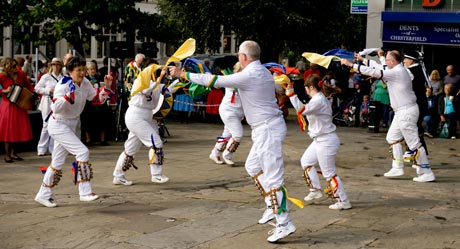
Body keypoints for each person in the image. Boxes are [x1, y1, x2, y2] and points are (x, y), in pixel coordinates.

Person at [170, 40, 296, 243]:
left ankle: (284, 222)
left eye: (239, 54)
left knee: (274, 178)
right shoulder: (262, 71)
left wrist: (183, 75)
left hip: (267, 129)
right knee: (252, 166)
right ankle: (272, 207)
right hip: (265, 127)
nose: (238, 57)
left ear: (244, 57)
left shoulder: (250, 74)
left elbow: (214, 81)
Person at [341, 49, 436, 182]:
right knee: (392, 137)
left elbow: (376, 72)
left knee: (414, 142)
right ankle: (397, 167)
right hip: (402, 111)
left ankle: (426, 171)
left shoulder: (397, 72)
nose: (385, 61)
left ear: (392, 61)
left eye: (386, 59)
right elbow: (379, 67)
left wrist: (352, 65)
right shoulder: (397, 69)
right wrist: (362, 61)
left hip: (406, 111)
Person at [34, 57, 114, 208]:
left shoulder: (84, 83)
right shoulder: (63, 84)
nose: (82, 73)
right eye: (79, 70)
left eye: (83, 69)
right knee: (82, 152)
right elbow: (55, 107)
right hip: (58, 124)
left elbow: (95, 99)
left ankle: (43, 194)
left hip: (72, 124)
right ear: (70, 71)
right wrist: (66, 97)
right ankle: (84, 191)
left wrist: (106, 88)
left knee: (57, 162)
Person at [286, 74, 352, 210]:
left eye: (306, 88)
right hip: (320, 140)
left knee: (329, 173)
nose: (305, 90)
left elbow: (301, 110)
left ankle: (343, 200)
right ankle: (315, 190)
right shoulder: (318, 98)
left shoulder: (319, 100)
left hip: (326, 140)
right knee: (306, 161)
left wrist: (291, 94)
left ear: (310, 87)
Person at [112, 65, 171, 186]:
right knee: (156, 143)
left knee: (130, 149)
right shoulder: (140, 81)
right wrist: (159, 79)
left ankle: (118, 175)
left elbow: (169, 90)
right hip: (136, 116)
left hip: (146, 117)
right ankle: (156, 175)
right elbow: (146, 90)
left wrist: (179, 78)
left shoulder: (157, 84)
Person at [209, 62, 244, 165]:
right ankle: (227, 154)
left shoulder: (247, 80)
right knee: (238, 134)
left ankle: (215, 153)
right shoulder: (230, 78)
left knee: (227, 134)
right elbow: (216, 84)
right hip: (228, 110)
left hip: (238, 112)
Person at [0, 57, 34, 163]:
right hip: (8, 105)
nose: (17, 67)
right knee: (8, 130)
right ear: (7, 67)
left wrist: (33, 94)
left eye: (16, 65)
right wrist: (4, 90)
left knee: (16, 129)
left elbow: (29, 86)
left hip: (20, 104)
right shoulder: (1, 76)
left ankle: (14, 153)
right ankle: (7, 155)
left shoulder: (21, 74)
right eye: (14, 66)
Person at [35, 57, 64, 156]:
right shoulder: (46, 77)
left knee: (55, 125)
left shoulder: (63, 78)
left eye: (57, 64)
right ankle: (41, 148)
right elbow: (37, 88)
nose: (55, 66)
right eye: (54, 64)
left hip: (58, 103)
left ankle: (52, 148)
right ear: (51, 66)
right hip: (47, 102)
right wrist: (48, 91)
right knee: (46, 125)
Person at [403, 51, 430, 156]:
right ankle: (415, 152)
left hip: (416, 104)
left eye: (406, 59)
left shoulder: (412, 70)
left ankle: (419, 153)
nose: (404, 61)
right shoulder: (418, 69)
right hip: (417, 103)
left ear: (411, 60)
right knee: (412, 128)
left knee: (413, 129)